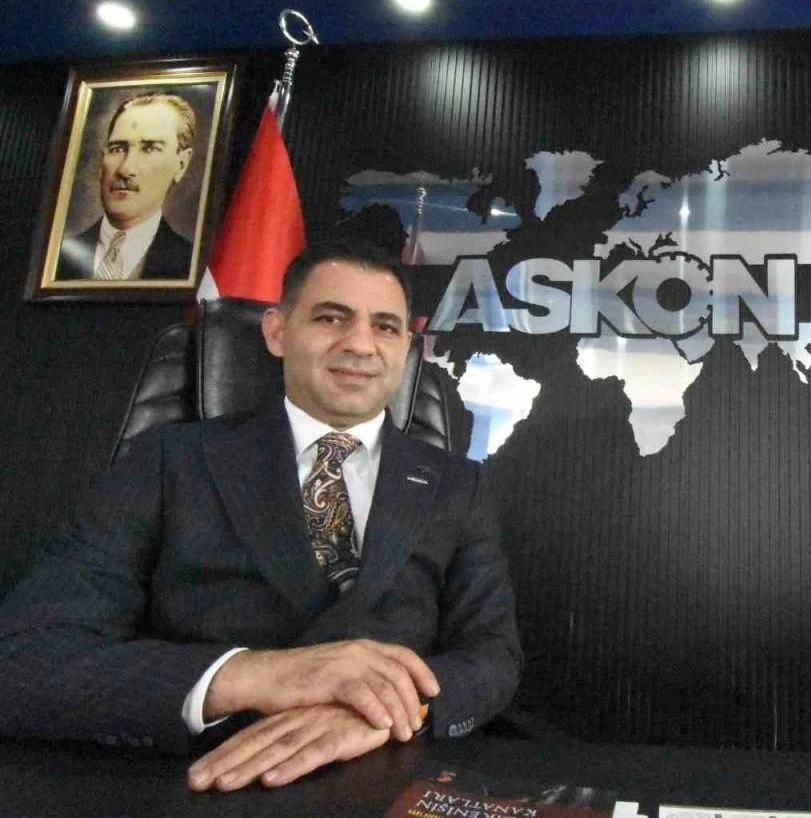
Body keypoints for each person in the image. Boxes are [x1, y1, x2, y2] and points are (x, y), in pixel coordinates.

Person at [0, 239, 521, 792]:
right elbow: (25, 657)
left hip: (386, 770)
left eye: (385, 327)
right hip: (202, 775)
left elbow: (492, 654)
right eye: (331, 318)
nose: (360, 344)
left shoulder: (456, 484)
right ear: (277, 331)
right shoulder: (170, 460)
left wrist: (391, 708)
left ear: (406, 347)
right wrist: (252, 675)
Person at [54, 92, 198, 281]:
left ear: (181, 164)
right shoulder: (55, 262)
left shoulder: (194, 266)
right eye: (117, 149)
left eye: (150, 148)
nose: (125, 168)